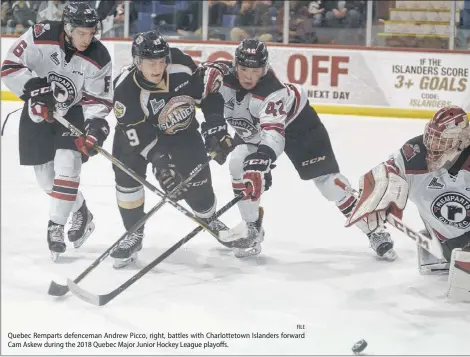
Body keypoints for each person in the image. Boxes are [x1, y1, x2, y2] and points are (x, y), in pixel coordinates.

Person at [201, 39, 397, 259]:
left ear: (264, 69)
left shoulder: (273, 92)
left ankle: (372, 227)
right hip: (256, 129)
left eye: (255, 71)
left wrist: (261, 161)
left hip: (299, 127)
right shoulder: (221, 77)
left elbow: (274, 136)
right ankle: (252, 228)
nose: (248, 76)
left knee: (329, 184)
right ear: (235, 65)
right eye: (244, 69)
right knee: (238, 162)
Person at [0, 2, 112, 261]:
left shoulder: (100, 56)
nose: (87, 39)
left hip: (73, 112)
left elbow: (99, 101)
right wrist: (36, 91)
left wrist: (95, 129)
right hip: (37, 111)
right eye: (81, 33)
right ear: (68, 27)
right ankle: (81, 209)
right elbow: (9, 66)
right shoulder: (41, 35)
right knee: (46, 179)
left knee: (67, 163)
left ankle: (56, 228)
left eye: (91, 32)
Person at [110, 31, 232, 268]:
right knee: (128, 180)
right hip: (137, 137)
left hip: (180, 131)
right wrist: (161, 163)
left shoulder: (181, 64)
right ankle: (133, 233)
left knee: (199, 185)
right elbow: (136, 135)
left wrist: (215, 126)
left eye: (160, 61)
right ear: (137, 62)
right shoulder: (125, 89)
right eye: (150, 63)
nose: (157, 68)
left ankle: (208, 218)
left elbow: (207, 94)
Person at [345, 105, 470, 301]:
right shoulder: (414, 154)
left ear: (462, 140)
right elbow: (386, 171)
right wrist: (375, 189)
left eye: (442, 141)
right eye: (432, 139)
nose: (433, 147)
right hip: (448, 245)